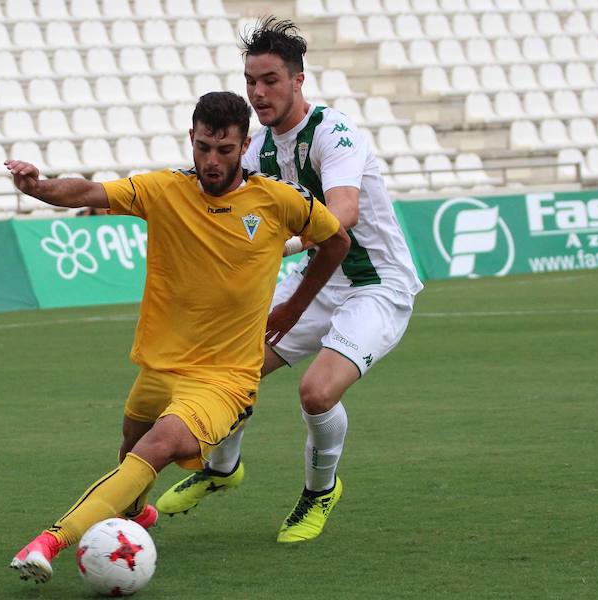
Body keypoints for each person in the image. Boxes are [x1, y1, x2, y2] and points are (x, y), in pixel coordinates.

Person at [5, 91, 351, 584]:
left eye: (225, 150)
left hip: (225, 379)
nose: (212, 161)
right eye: (204, 147)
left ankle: (51, 540)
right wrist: (37, 187)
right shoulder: (164, 189)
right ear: (192, 138)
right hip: (160, 365)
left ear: (244, 145)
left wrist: (296, 304)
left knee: (161, 445)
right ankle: (137, 515)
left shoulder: (277, 200)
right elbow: (88, 193)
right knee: (130, 448)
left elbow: (337, 239)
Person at [156, 18, 424, 544]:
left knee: (316, 393)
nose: (258, 92)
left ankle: (319, 492)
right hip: (317, 277)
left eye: (271, 80)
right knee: (233, 368)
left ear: (298, 81)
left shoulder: (334, 132)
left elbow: (342, 214)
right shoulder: (256, 150)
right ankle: (222, 468)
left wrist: (283, 245)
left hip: (376, 285)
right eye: (251, 81)